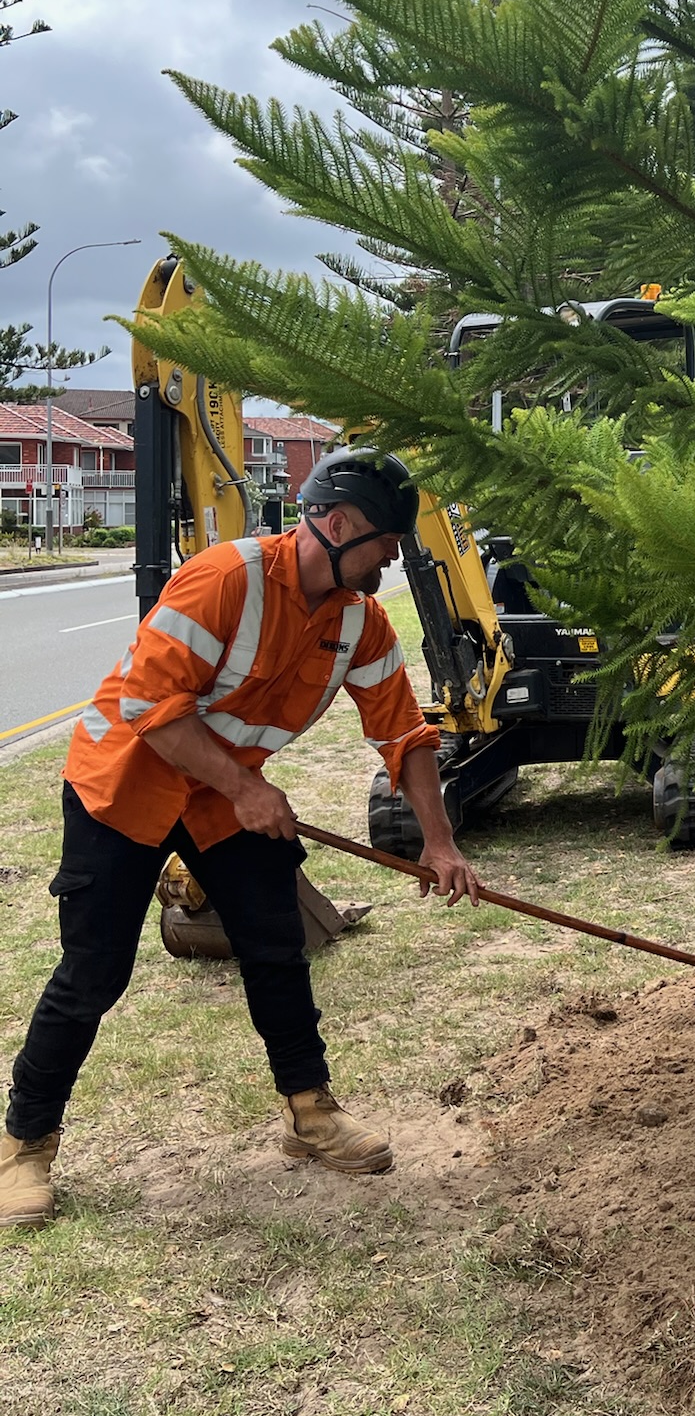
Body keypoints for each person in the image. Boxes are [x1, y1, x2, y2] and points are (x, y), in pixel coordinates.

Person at [0, 449, 483, 1230]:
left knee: (274, 942)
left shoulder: (361, 621)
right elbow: (154, 708)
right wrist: (248, 788)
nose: (396, 553)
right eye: (386, 538)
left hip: (222, 797)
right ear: (337, 524)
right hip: (126, 783)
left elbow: (405, 734)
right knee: (94, 970)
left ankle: (310, 1111)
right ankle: (22, 1146)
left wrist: (439, 843)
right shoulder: (226, 580)